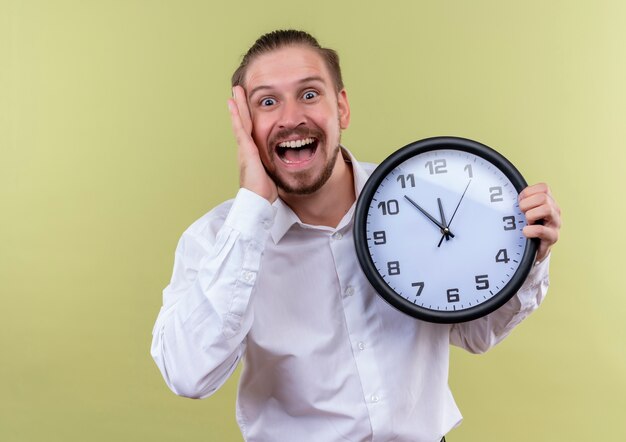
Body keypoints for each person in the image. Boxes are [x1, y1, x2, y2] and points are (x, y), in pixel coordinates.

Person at [151, 30, 561, 442]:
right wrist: (253, 207)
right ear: (246, 126)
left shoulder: (425, 202)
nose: (292, 117)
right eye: (267, 102)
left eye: (309, 94)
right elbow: (190, 376)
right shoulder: (216, 240)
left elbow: (476, 333)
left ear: (341, 108)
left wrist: (529, 257)